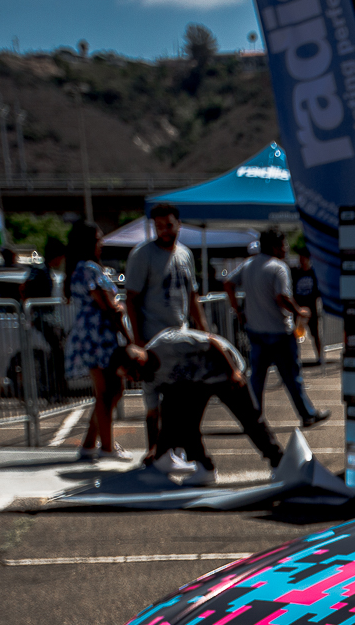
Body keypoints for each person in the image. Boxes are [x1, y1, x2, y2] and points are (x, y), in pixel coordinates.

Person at [124, 203, 209, 465]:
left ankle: (177, 448)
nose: (164, 231)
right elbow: (131, 298)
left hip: (180, 338)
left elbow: (192, 296)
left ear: (179, 225)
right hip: (152, 338)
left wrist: (204, 331)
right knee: (153, 399)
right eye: (159, 226)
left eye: (169, 225)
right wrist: (137, 339)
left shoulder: (185, 254)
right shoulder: (143, 254)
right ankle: (154, 451)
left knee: (182, 397)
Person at [144, 327, 283, 486]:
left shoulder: (168, 344)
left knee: (250, 419)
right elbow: (152, 413)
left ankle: (278, 461)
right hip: (199, 381)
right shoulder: (148, 379)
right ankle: (204, 467)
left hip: (223, 369)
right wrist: (154, 448)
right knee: (187, 424)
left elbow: (212, 342)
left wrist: (232, 372)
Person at [231, 228, 328, 428]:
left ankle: (253, 417)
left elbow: (228, 283)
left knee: (257, 378)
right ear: (275, 246)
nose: (286, 248)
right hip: (279, 331)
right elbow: (282, 297)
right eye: (283, 244)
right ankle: (307, 414)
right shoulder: (278, 267)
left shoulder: (248, 264)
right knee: (292, 376)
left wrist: (238, 310)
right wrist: (299, 311)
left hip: (256, 330)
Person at [61, 221, 137, 463]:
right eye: (98, 239)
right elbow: (108, 306)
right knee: (108, 392)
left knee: (110, 391)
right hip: (99, 336)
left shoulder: (78, 269)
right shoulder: (90, 269)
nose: (101, 243)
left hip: (91, 335)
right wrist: (129, 338)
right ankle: (106, 447)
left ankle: (90, 443)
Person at [293, 244, 321, 366]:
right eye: (300, 257)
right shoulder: (295, 273)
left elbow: (318, 290)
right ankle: (295, 357)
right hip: (298, 308)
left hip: (311, 308)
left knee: (315, 333)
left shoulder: (313, 273)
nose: (301, 260)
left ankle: (320, 356)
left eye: (303, 257)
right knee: (296, 334)